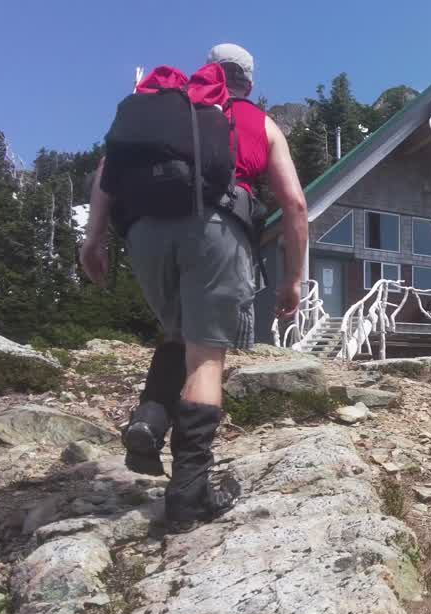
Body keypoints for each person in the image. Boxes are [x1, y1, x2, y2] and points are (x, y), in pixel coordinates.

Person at [80, 43, 309, 524]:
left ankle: (150, 418)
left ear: (209, 70)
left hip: (144, 231)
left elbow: (106, 172)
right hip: (215, 229)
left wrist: (93, 239)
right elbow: (295, 206)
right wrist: (293, 280)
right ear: (247, 80)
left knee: (178, 334)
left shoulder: (167, 110)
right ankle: (188, 494)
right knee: (206, 356)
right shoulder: (257, 122)